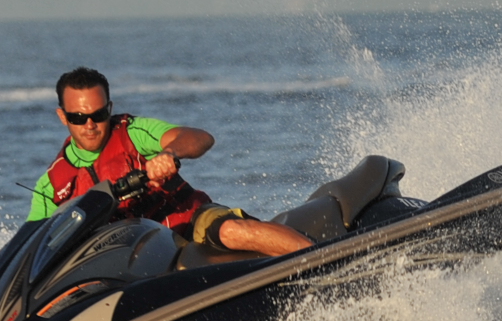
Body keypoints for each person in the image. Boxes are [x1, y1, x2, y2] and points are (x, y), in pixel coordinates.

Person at [26, 66, 313, 256]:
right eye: (77, 117)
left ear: (109, 109)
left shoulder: (134, 132)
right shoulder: (51, 184)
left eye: (98, 115)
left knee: (232, 230)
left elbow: (200, 137)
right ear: (62, 116)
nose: (89, 125)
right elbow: (33, 245)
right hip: (132, 258)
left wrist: (170, 153)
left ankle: (322, 259)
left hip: (187, 223)